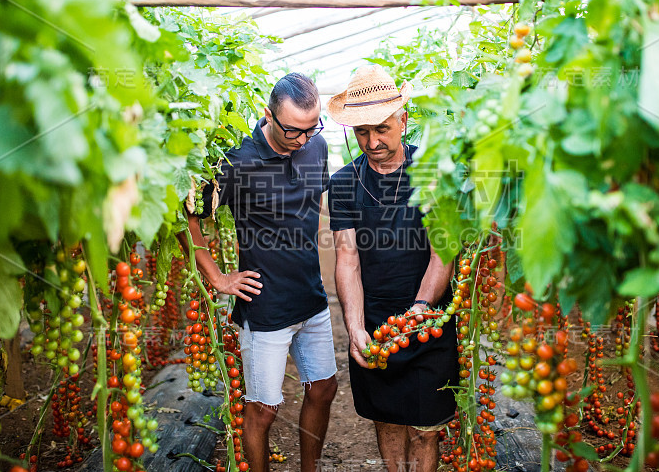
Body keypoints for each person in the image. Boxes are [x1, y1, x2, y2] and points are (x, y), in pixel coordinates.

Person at [178, 73, 338, 472]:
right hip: (264, 305)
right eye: (292, 131)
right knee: (263, 410)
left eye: (311, 128)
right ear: (268, 116)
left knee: (323, 388)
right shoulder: (239, 160)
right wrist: (217, 277)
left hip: (312, 298)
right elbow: (188, 216)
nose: (303, 139)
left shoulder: (317, 146)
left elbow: (311, 207)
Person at [326, 65, 458, 472]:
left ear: (403, 119)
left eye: (381, 129)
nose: (373, 141)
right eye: (362, 132)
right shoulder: (345, 183)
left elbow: (442, 253)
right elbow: (347, 259)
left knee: (425, 427)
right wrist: (355, 327)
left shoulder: (434, 173)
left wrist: (420, 307)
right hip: (376, 320)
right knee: (387, 419)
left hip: (428, 318)